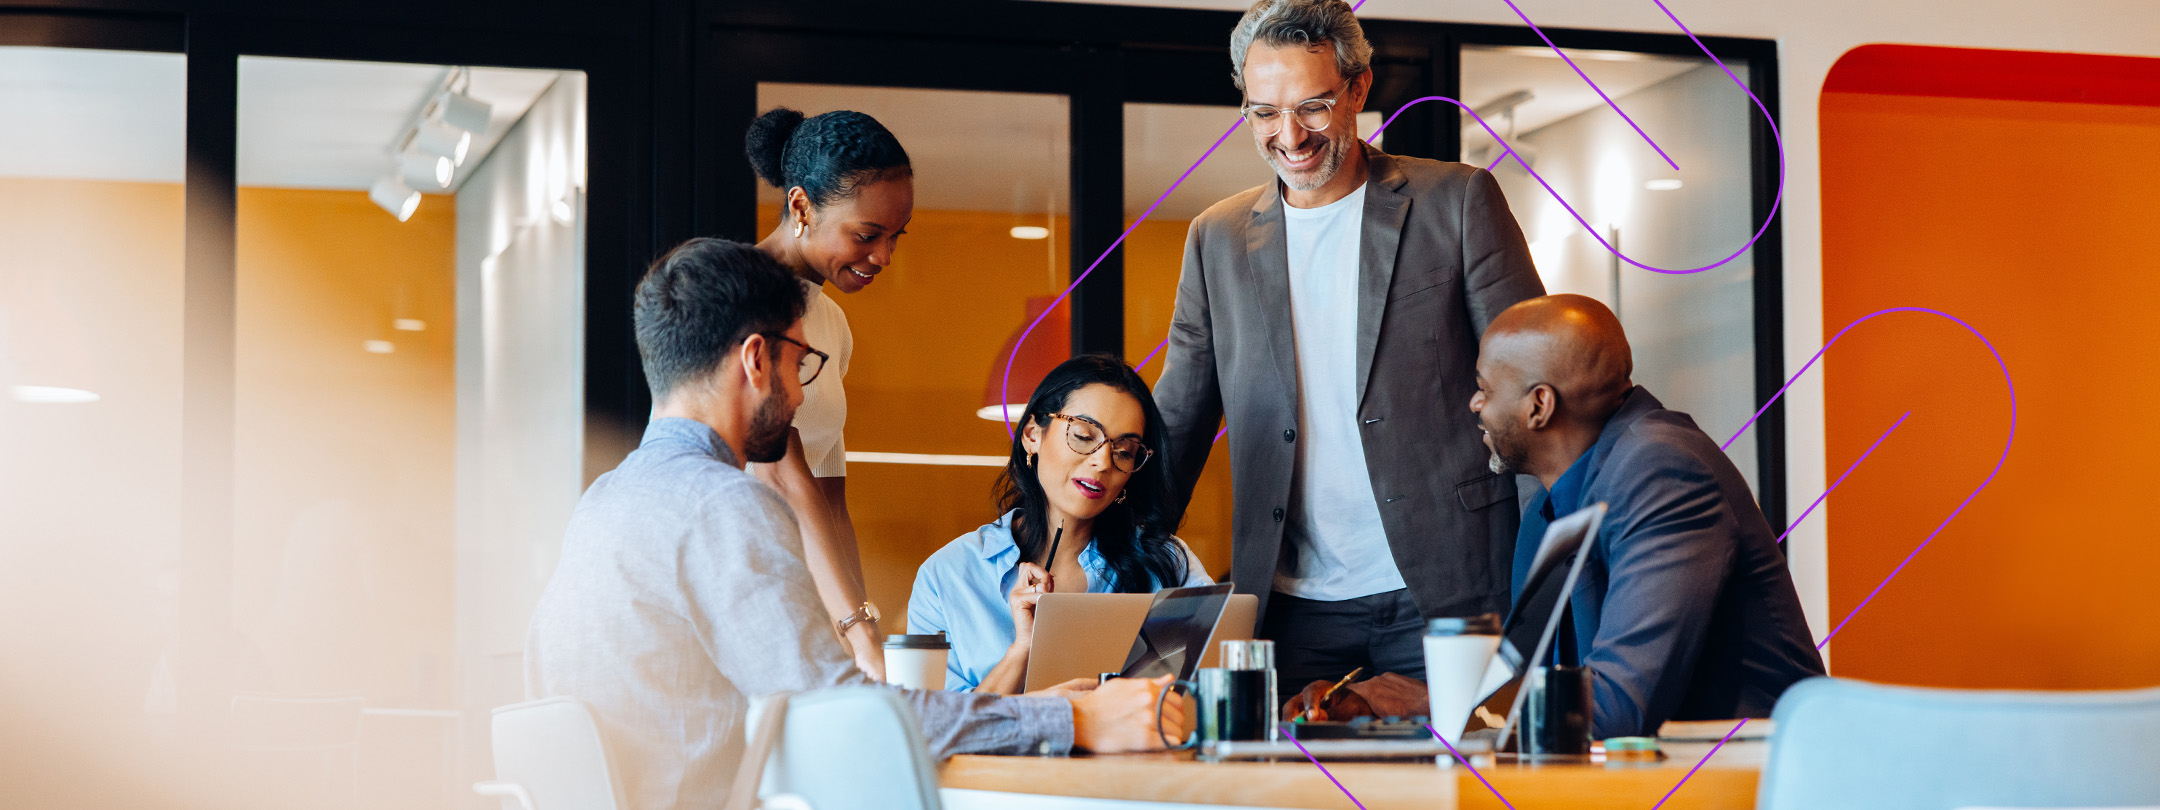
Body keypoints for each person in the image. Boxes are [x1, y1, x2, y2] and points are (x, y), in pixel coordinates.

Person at [526, 238, 1183, 810]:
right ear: (757, 360)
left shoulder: (602, 503)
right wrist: (1071, 717)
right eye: (801, 363)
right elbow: (849, 723)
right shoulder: (721, 505)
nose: (803, 391)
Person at [1151, 0, 1547, 690]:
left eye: (1312, 106)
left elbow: (1535, 388)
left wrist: (1556, 570)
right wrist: (1105, 547)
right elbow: (1179, 419)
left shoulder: (1456, 202)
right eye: (1264, 112)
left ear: (1358, 90)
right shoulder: (1215, 238)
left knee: (1462, 790)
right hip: (1290, 604)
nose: (1290, 135)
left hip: (1451, 589)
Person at [1469, 294, 1826, 739]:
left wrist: (1466, 719)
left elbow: (1619, 706)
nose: (1475, 404)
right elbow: (1530, 691)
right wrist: (1430, 708)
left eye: (1484, 388)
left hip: (1745, 784)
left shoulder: (1660, 469)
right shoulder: (1551, 505)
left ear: (1539, 406)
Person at [908, 355, 1213, 694]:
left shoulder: (1165, 562)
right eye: (1083, 435)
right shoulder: (948, 576)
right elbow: (939, 733)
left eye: (1125, 450)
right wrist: (1022, 650)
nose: (1102, 462)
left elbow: (1210, 694)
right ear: (1031, 435)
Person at [744, 106, 914, 679]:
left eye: (895, 237)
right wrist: (854, 628)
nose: (884, 256)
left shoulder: (831, 324)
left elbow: (830, 493)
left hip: (808, 593)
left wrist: (863, 621)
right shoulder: (736, 295)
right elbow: (780, 469)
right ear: (801, 206)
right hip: (741, 586)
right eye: (867, 235)